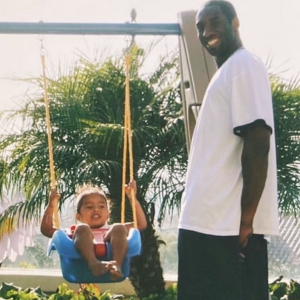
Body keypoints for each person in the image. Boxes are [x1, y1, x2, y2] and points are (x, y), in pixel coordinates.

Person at [177, 1, 279, 299]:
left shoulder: (243, 65)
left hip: (223, 229)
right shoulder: (229, 71)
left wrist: (246, 221)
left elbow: (258, 144)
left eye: (214, 21)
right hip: (209, 225)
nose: (206, 31)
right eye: (200, 27)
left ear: (235, 22)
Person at [41, 180, 147, 280]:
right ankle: (93, 264)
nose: (96, 209)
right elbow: (47, 229)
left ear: (108, 214)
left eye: (101, 206)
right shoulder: (75, 232)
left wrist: (132, 198)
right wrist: (51, 206)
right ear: (78, 216)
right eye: (89, 207)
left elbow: (141, 224)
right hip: (79, 268)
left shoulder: (113, 231)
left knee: (119, 227)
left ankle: (116, 267)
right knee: (83, 228)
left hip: (113, 252)